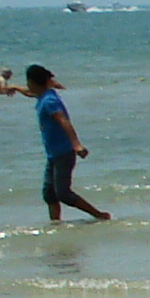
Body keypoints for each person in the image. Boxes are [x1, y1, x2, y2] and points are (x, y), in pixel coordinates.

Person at [26, 66, 108, 221]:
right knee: (49, 194)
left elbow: (64, 120)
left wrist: (77, 144)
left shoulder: (49, 101)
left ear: (32, 81)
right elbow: (30, 92)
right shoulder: (44, 95)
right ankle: (55, 225)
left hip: (63, 153)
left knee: (63, 193)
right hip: (54, 154)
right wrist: (15, 88)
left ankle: (99, 215)